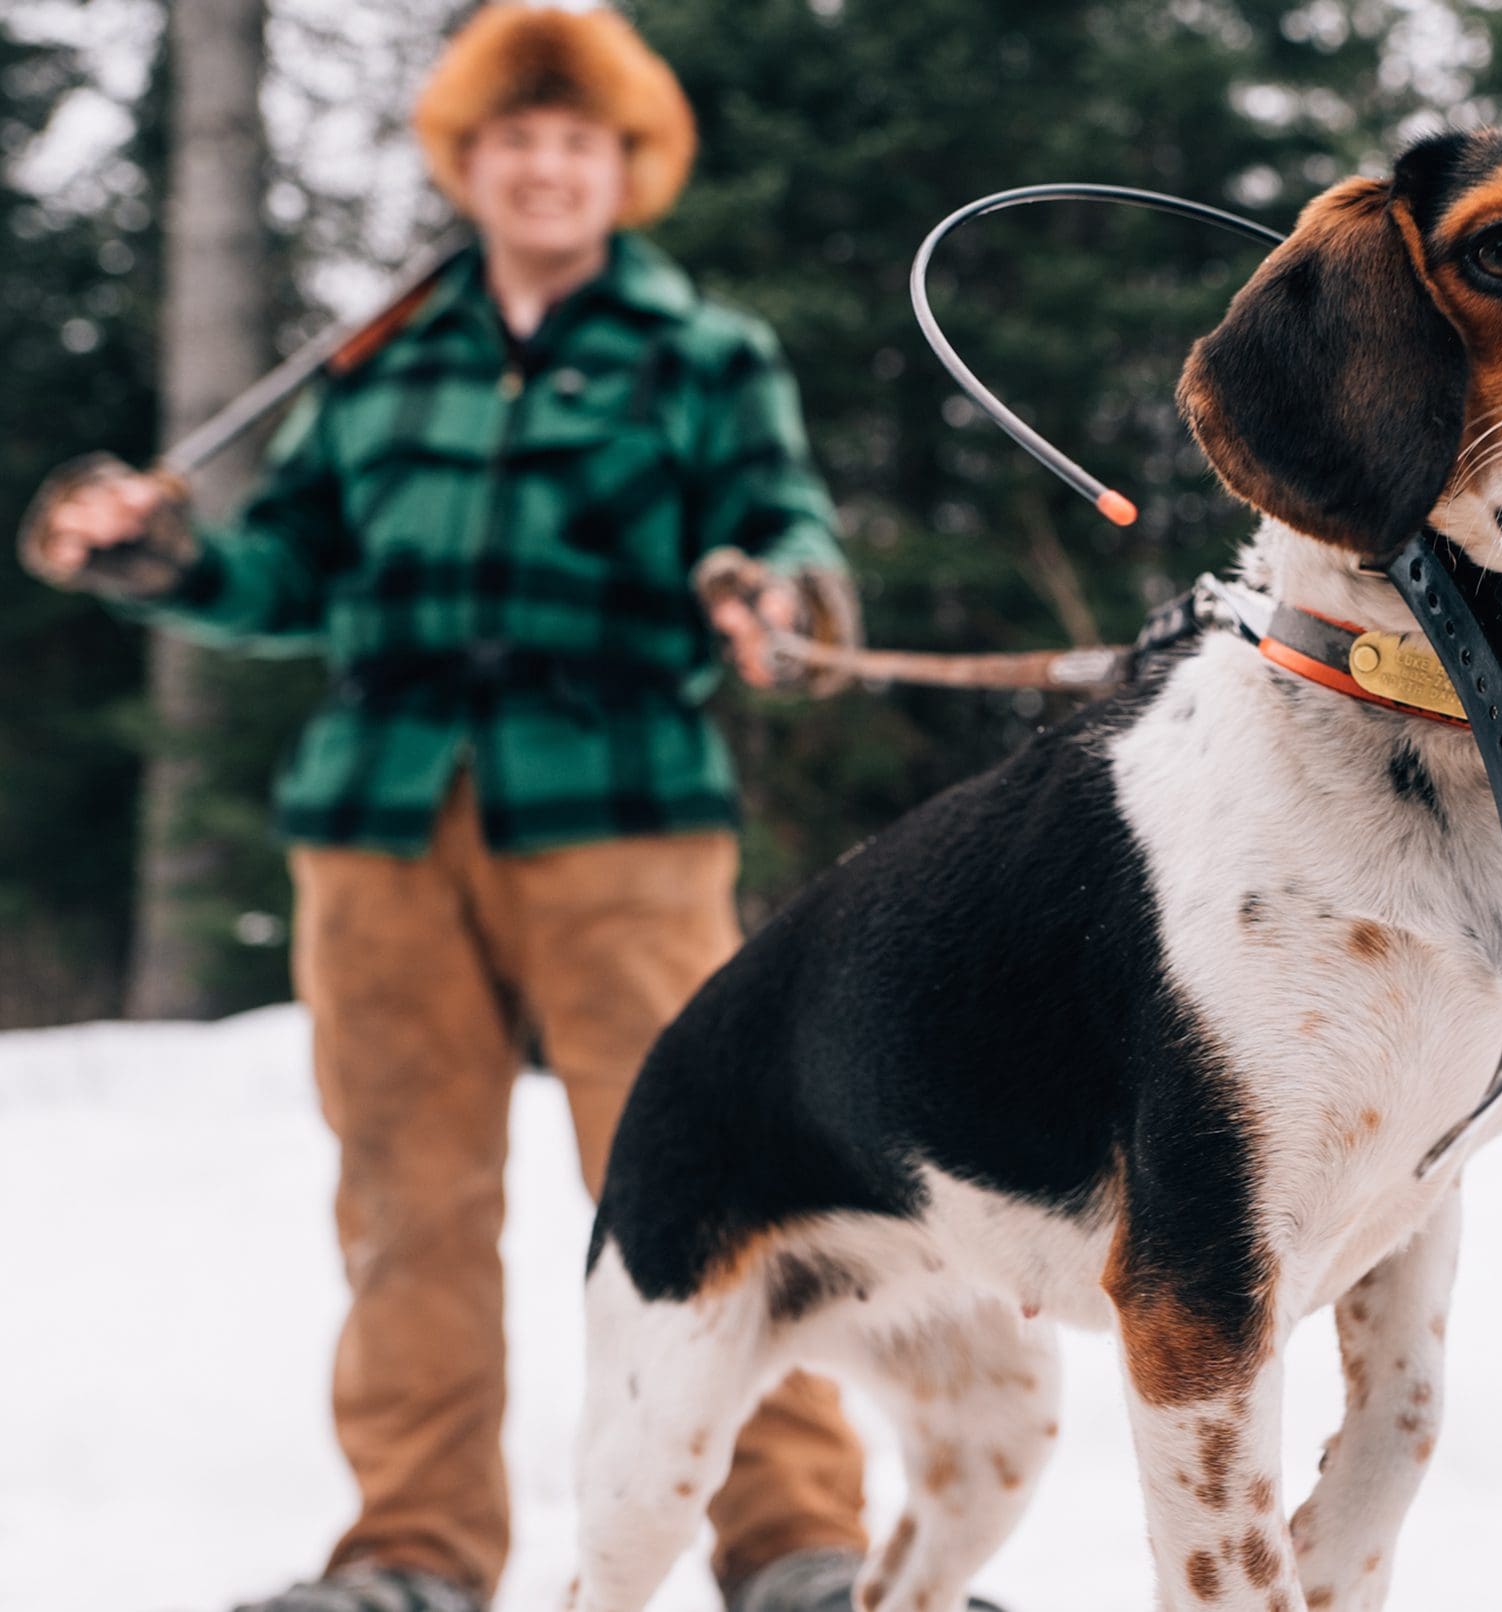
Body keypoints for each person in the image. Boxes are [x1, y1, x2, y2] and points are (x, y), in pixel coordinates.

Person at [19, 8, 894, 1611]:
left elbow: (787, 533)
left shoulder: (705, 356)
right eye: (514, 142)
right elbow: (279, 572)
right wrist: (158, 555)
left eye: (576, 142)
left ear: (621, 168)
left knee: (710, 1193)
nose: (544, 167)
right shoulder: (378, 366)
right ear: (470, 165)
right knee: (407, 1205)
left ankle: (798, 1548)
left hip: (625, 823)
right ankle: (412, 1555)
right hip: (380, 832)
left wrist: (786, 601)